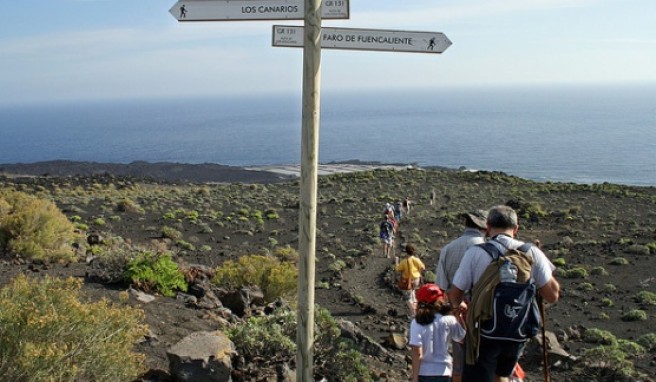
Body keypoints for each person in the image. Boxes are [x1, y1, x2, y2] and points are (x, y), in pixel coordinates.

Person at [447, 205, 560, 382]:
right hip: (517, 332)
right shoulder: (531, 253)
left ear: (488, 227)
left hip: (483, 331)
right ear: (516, 229)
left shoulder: (475, 253)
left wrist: (459, 312)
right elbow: (552, 295)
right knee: (502, 375)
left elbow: (455, 294)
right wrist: (542, 264)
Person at [435, 209, 488, 382]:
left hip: (456, 311)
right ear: (485, 227)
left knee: (458, 361)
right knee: (486, 360)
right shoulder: (488, 250)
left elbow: (441, 287)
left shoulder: (448, 248)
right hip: (484, 313)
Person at [409, 283, 466, 382]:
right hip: (444, 371)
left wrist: (415, 377)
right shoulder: (449, 320)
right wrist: (459, 316)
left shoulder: (417, 322)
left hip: (424, 372)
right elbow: (462, 338)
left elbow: (417, 352)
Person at [395, 244, 426, 315]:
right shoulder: (416, 259)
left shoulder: (404, 261)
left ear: (406, 252)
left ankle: (413, 313)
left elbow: (397, 269)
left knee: (407, 298)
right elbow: (423, 267)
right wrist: (418, 271)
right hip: (416, 279)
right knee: (413, 293)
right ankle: (416, 310)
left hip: (407, 280)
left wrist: (396, 262)